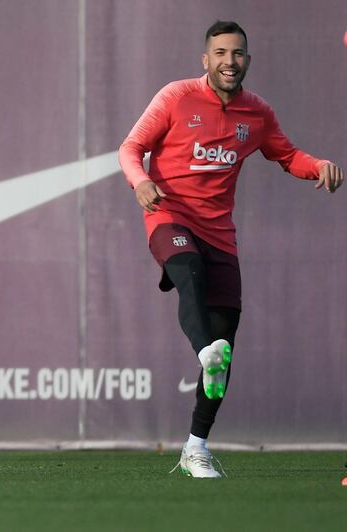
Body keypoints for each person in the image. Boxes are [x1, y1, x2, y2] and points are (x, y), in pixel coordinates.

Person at [119, 20, 343, 478]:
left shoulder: (256, 113)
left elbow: (287, 155)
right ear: (206, 59)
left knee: (227, 343)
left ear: (247, 60)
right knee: (187, 274)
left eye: (237, 54)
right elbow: (130, 147)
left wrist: (317, 165)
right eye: (220, 53)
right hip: (169, 215)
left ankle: (195, 448)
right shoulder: (176, 97)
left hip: (220, 233)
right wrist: (141, 181)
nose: (229, 61)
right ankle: (205, 352)